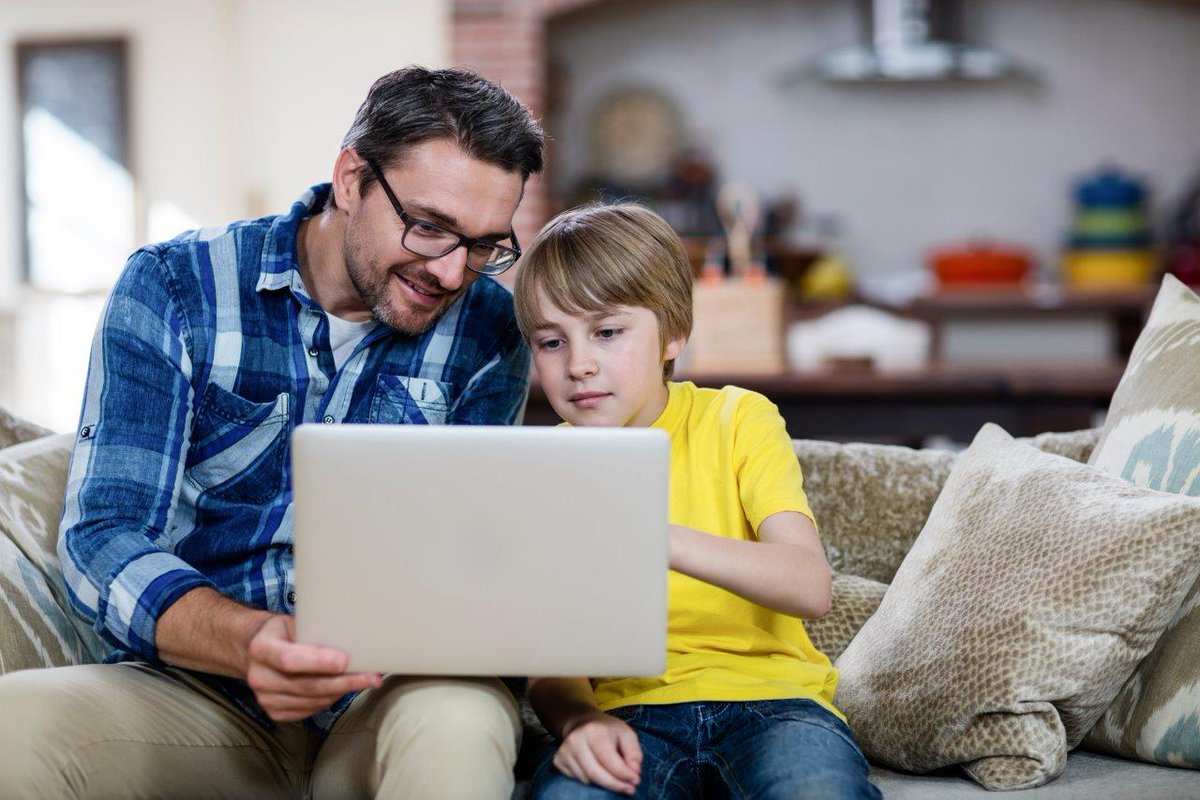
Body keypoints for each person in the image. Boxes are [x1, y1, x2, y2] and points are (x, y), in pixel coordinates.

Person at [0, 66, 544, 799]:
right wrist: (249, 643)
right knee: (16, 724)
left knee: (458, 720)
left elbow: (480, 556)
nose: (452, 272)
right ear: (351, 178)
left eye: (482, 245)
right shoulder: (175, 286)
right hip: (201, 698)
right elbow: (104, 535)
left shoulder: (490, 333)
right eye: (430, 226)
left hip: (386, 698)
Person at [511, 203, 881, 799]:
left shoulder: (739, 418)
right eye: (552, 342)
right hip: (629, 717)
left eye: (607, 332)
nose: (578, 365)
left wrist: (654, 536)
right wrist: (579, 722)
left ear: (673, 333)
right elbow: (552, 664)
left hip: (776, 707)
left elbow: (808, 584)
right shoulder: (543, 469)